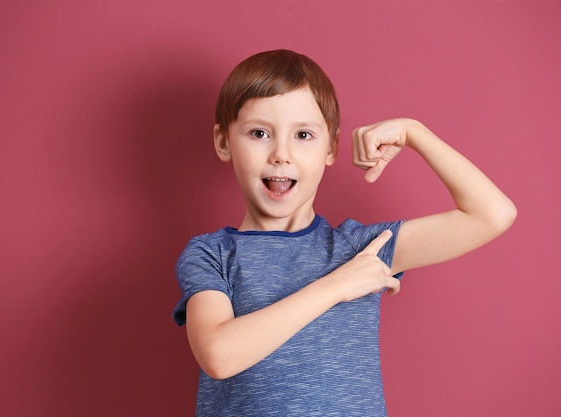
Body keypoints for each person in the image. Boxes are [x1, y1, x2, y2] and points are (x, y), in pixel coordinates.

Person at [172, 49, 516, 417]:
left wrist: (414, 132)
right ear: (225, 142)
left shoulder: (361, 249)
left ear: (331, 147)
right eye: (259, 133)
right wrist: (337, 286)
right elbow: (219, 355)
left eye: (303, 134)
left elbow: (492, 214)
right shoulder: (211, 253)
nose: (281, 154)